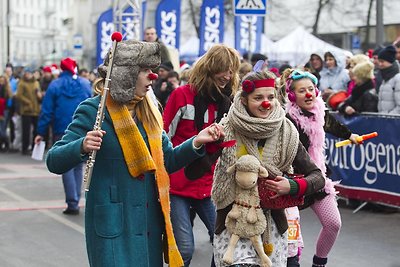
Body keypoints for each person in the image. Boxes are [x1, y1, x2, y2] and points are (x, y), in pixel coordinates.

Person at [46, 40, 224, 267]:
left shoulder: (149, 112)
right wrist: (82, 145)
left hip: (147, 224)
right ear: (125, 74)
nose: (153, 77)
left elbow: (167, 160)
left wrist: (197, 141)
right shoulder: (94, 110)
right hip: (112, 223)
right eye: (145, 71)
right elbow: (54, 160)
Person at [211, 70, 325, 267]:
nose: (266, 103)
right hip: (233, 222)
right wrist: (206, 146)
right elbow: (194, 172)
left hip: (270, 226)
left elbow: (317, 177)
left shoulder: (287, 131)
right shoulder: (226, 128)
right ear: (244, 100)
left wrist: (293, 186)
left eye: (271, 97)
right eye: (258, 98)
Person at [163, 44, 241, 266]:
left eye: (231, 71)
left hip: (212, 186)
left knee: (225, 244)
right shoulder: (181, 95)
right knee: (185, 249)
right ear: (209, 68)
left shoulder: (229, 101)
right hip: (178, 183)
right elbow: (164, 136)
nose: (227, 76)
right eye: (223, 70)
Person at [282, 69, 360, 267]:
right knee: (290, 238)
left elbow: (332, 124)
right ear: (291, 95)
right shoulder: (287, 121)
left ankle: (319, 263)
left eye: (311, 89)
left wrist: (350, 135)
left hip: (317, 177)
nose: (308, 94)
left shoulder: (319, 112)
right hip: (291, 182)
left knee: (333, 224)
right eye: (301, 91)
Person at [35, 57, 92, 215]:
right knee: (78, 164)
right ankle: (77, 197)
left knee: (66, 164)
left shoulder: (55, 85)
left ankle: (72, 202)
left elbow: (46, 111)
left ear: (61, 69)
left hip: (61, 128)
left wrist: (41, 132)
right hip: (82, 128)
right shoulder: (85, 84)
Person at [16, 68, 41, 155]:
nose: (27, 75)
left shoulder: (36, 83)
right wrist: (27, 102)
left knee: (36, 130)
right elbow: (19, 95)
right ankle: (25, 148)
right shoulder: (22, 83)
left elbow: (38, 94)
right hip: (26, 110)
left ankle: (34, 148)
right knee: (26, 130)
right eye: (26, 73)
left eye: (29, 73)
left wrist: (39, 95)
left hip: (35, 110)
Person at [376, 45, 400, 114]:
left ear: (390, 61)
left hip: (392, 122)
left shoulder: (397, 79)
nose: (380, 64)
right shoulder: (385, 78)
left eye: (382, 61)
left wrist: (388, 117)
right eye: (379, 61)